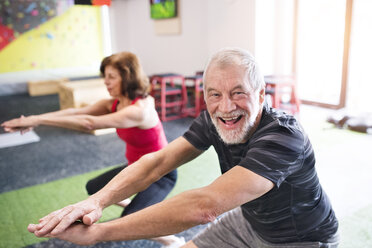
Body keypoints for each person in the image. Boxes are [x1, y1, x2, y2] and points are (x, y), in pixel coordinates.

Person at [26, 47, 339, 248]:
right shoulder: (213, 119)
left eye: (238, 92)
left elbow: (205, 205)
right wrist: (98, 201)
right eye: (215, 94)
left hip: (303, 239)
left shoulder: (284, 137)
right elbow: (157, 162)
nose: (226, 107)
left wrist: (99, 232)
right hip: (251, 220)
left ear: (260, 96)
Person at [2, 51, 184, 248]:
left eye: (112, 77)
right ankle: (138, 207)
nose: (106, 82)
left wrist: (37, 121)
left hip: (160, 172)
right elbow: (77, 112)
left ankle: (172, 239)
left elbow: (88, 123)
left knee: (131, 221)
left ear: (128, 77)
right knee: (94, 187)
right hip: (136, 168)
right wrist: (35, 118)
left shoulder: (139, 110)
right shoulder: (114, 103)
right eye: (104, 77)